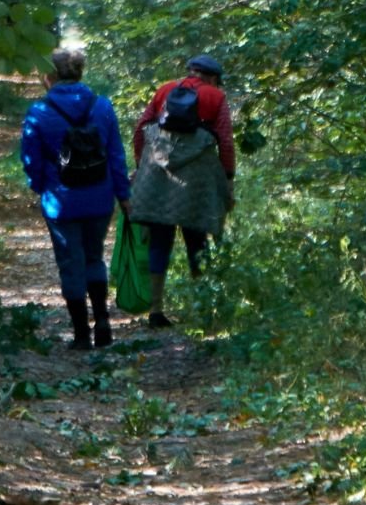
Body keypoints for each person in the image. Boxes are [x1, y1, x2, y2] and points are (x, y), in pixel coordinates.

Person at [21, 48, 132, 350]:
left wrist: (40, 185)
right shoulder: (103, 107)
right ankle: (104, 323)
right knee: (94, 257)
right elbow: (116, 156)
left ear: (50, 76)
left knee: (71, 263)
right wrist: (123, 195)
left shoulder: (39, 112)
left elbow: (30, 159)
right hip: (99, 197)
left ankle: (82, 333)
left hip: (61, 201)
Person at [130, 53, 236, 328]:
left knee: (159, 240)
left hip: (158, 174)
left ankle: (156, 309)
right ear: (213, 78)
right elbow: (224, 140)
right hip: (197, 180)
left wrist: (141, 165)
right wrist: (228, 179)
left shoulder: (166, 90)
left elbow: (141, 127)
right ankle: (202, 309)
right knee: (197, 240)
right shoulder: (216, 97)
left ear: (189, 72)